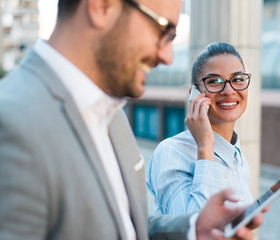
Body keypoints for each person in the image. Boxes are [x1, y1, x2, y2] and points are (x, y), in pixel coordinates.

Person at [0, 0, 264, 239]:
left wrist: (192, 228)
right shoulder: (11, 121)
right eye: (162, 29)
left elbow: (121, 226)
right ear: (101, 6)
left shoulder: (114, 117)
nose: (167, 56)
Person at [147, 42, 254, 215]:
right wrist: (205, 147)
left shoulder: (237, 157)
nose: (228, 90)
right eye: (214, 81)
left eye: (238, 79)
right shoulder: (171, 153)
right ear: (194, 94)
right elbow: (193, 231)